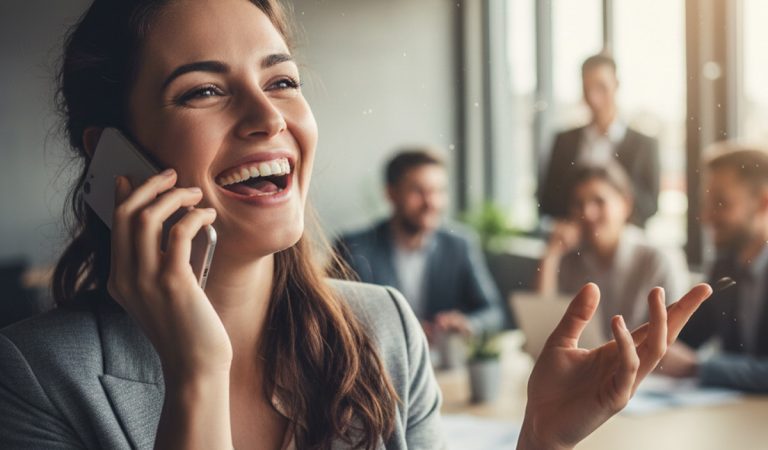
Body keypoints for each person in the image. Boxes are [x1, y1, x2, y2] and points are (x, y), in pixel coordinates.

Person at [0, 0, 713, 448]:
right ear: (112, 159)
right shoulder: (33, 376)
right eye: (206, 91)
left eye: (281, 80)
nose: (268, 117)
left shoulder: (385, 329)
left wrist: (543, 440)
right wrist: (196, 375)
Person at [334, 149, 504, 339]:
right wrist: (403, 333)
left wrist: (468, 324)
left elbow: (493, 313)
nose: (431, 202)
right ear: (391, 193)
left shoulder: (459, 245)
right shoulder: (354, 247)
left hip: (444, 363)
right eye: (418, 191)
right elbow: (335, 318)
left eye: (438, 191)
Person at [660, 147, 768, 392]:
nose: (707, 217)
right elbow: (689, 336)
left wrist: (697, 367)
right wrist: (655, 344)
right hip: (738, 417)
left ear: (763, 203)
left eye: (721, 203)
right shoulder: (724, 266)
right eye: (706, 203)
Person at [537, 163, 687, 336]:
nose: (587, 213)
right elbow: (543, 328)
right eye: (578, 204)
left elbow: (672, 337)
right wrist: (550, 256)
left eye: (599, 201)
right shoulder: (570, 258)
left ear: (625, 204)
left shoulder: (658, 259)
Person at [538, 53, 660, 228]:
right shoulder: (564, 141)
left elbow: (650, 206)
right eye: (587, 89)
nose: (594, 98)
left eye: (601, 87)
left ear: (617, 85)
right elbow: (547, 201)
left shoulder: (644, 145)